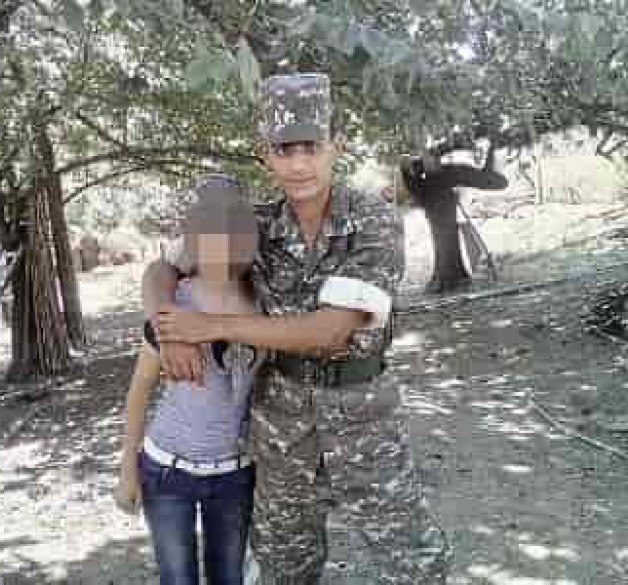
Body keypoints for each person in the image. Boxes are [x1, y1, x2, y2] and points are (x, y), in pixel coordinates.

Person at [144, 73, 451, 584]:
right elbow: (162, 268)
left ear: (337, 147)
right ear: (265, 154)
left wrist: (210, 324)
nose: (299, 164)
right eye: (284, 150)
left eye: (311, 147)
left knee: (413, 564)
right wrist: (170, 329)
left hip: (364, 423)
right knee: (286, 568)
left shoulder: (374, 220)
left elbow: (331, 331)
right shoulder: (255, 224)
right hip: (281, 432)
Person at [114, 175, 263, 585]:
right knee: (177, 578)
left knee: (228, 578)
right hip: (168, 473)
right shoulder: (173, 302)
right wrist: (127, 469)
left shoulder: (267, 303)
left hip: (235, 475)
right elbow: (139, 391)